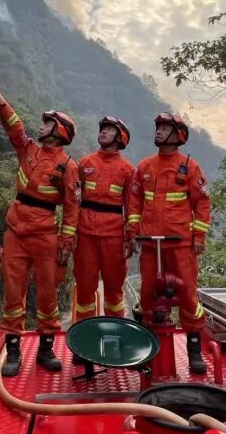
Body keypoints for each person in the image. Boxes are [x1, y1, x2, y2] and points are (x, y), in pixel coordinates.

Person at [0, 67, 80, 377]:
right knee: (13, 292)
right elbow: (13, 125)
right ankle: (14, 351)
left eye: (48, 123)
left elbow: (72, 209)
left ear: (59, 131)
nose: (41, 125)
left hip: (45, 234)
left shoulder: (68, 167)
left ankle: (46, 349)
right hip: (16, 231)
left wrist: (65, 245)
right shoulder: (28, 149)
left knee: (47, 293)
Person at [126, 113, 212, 374]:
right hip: (150, 244)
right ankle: (148, 351)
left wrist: (199, 236)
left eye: (165, 128)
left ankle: (194, 349)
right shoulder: (144, 167)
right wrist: (133, 231)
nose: (159, 131)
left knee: (187, 295)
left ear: (178, 135)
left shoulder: (190, 167)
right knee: (148, 295)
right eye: (159, 127)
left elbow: (202, 202)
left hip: (180, 244)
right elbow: (134, 202)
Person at [73, 117, 135, 339]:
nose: (103, 132)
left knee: (114, 291)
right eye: (103, 129)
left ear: (120, 138)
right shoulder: (84, 163)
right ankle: (84, 338)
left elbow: (131, 207)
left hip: (114, 237)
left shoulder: (128, 170)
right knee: (84, 289)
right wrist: (70, 232)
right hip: (85, 234)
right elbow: (73, 201)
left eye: (109, 130)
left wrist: (130, 237)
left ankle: (114, 337)